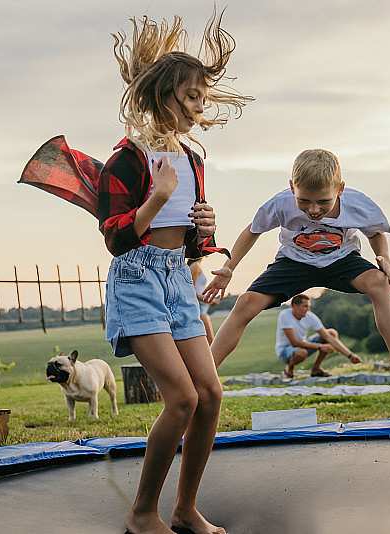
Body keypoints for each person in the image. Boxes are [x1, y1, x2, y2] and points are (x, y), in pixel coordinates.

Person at [99, 11, 251, 534]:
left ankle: (186, 510)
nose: (198, 107)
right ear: (162, 94)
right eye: (190, 96)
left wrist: (203, 227)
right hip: (137, 281)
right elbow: (116, 237)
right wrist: (156, 198)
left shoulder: (190, 159)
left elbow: (191, 238)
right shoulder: (127, 159)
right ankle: (142, 512)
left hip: (176, 282)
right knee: (181, 398)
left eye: (202, 97)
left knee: (210, 395)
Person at [202, 148, 390, 393]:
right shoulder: (281, 203)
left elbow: (375, 232)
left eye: (323, 201)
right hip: (294, 262)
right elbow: (253, 230)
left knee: (379, 281)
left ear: (340, 190)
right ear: (292, 188)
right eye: (304, 201)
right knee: (245, 303)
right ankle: (204, 376)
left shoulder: (358, 204)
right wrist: (229, 268)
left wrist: (384, 259)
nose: (313, 210)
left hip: (342, 259)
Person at [276, 294, 362, 378]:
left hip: (302, 345)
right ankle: (289, 369)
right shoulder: (285, 315)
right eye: (305, 306)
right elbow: (294, 343)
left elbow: (328, 337)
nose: (308, 309)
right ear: (295, 306)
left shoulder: (310, 317)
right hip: (285, 350)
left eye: (308, 306)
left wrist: (350, 356)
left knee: (331, 333)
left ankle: (316, 369)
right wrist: (320, 346)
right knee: (302, 353)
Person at [188, 257, 218, 344]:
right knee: (211, 343)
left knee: (208, 343)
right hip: (199, 307)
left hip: (202, 306)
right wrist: (207, 300)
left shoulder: (196, 266)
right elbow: (191, 291)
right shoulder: (195, 266)